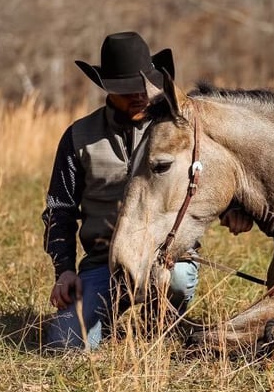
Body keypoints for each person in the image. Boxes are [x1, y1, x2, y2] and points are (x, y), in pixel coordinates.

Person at [42, 31, 199, 350]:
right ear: (107, 88)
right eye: (127, 90)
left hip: (165, 261)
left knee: (180, 280)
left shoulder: (177, 129)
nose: (139, 95)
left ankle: (166, 315)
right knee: (65, 344)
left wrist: (237, 213)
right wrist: (65, 271)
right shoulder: (78, 137)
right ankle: (106, 314)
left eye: (144, 86)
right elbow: (59, 211)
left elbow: (211, 180)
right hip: (103, 263)